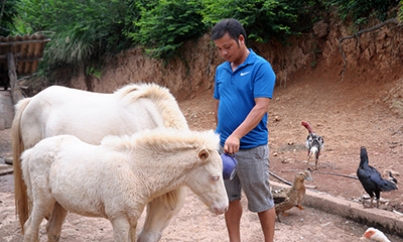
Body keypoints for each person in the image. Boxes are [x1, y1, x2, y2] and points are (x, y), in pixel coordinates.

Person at [211, 18, 276, 242]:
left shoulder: (261, 68)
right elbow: (219, 104)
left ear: (241, 39)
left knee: (261, 201)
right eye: (219, 49)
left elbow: (261, 106)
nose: (223, 53)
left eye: (227, 47)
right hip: (224, 148)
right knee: (230, 198)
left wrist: (237, 135)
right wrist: (219, 135)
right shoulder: (221, 70)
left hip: (251, 148)